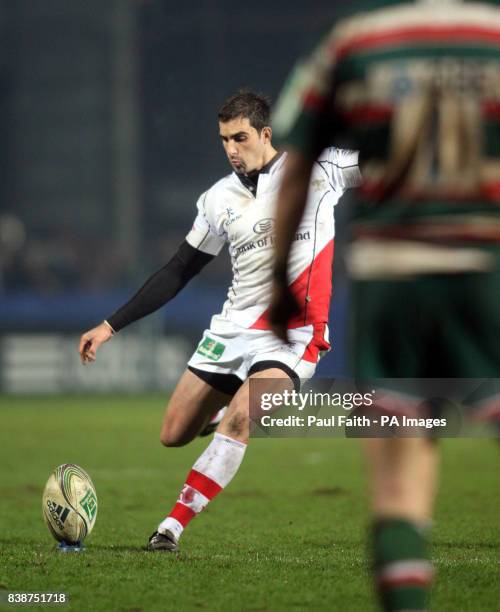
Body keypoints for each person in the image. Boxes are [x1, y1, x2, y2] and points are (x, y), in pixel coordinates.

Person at [269, 1, 500, 610]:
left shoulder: (352, 41)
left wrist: (276, 280)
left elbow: (296, 165)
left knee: (398, 487)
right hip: (486, 270)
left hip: (389, 282)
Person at [79, 89, 362, 552]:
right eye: (224, 140)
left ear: (265, 134)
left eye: (241, 137)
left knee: (240, 422)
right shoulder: (217, 199)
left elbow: (387, 157)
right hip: (232, 330)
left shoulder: (318, 171)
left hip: (291, 337)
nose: (232, 149)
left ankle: (170, 527)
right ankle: (215, 408)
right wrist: (110, 325)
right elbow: (179, 269)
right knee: (173, 434)